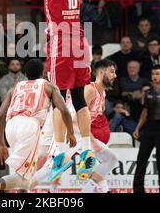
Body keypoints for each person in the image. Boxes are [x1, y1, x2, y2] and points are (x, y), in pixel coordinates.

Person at [32, 0, 95, 181]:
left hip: (61, 43)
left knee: (58, 98)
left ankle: (58, 155)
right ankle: (86, 151)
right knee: (79, 98)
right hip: (80, 40)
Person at [0, 59, 76, 193]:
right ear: (42, 73)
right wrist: (70, 132)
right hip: (29, 126)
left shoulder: (15, 87)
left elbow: (0, 116)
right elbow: (64, 110)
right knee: (23, 179)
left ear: (25, 73)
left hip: (10, 127)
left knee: (25, 174)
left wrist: (1, 144)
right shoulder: (48, 86)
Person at [32, 59, 119, 193]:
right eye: (112, 72)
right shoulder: (90, 90)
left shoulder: (103, 93)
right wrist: (90, 139)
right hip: (69, 133)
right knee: (50, 168)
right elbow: (73, 117)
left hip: (82, 136)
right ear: (101, 72)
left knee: (111, 159)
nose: (115, 75)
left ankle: (89, 191)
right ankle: (23, 189)